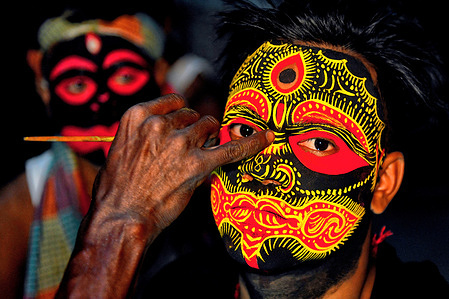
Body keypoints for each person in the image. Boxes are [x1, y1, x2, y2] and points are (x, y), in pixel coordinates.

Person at [38, 0, 449, 298]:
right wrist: (117, 225)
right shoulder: (175, 289)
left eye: (319, 142)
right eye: (245, 130)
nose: (263, 164)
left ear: (383, 183)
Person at [0, 10, 169, 298]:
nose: (104, 103)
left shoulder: (202, 184)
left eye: (125, 77)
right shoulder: (21, 205)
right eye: (77, 85)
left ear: (160, 75)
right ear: (45, 91)